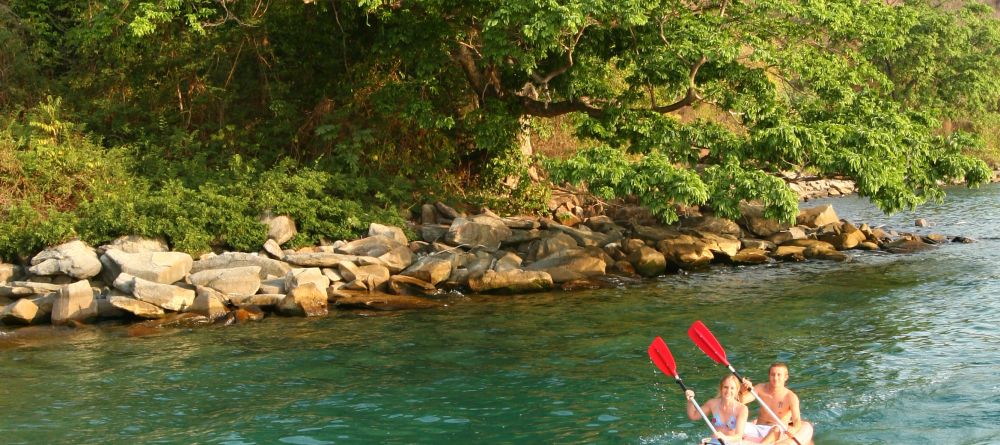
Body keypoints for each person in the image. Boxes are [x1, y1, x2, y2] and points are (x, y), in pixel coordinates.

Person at [738, 362, 808, 444]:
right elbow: (742, 401)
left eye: (779, 375)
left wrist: (794, 429)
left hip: (776, 430)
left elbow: (796, 420)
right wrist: (742, 391)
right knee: (738, 424)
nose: (775, 378)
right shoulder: (760, 388)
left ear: (786, 377)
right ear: (769, 376)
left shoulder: (790, 397)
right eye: (773, 374)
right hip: (758, 427)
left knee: (776, 429)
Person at [685, 374, 749, 445]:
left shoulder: (742, 409)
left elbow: (739, 436)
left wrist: (724, 437)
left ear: (737, 390)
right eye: (726, 387)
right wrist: (690, 401)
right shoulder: (712, 403)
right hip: (715, 442)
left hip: (732, 442)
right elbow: (693, 416)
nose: (728, 391)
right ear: (721, 388)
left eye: (732, 388)